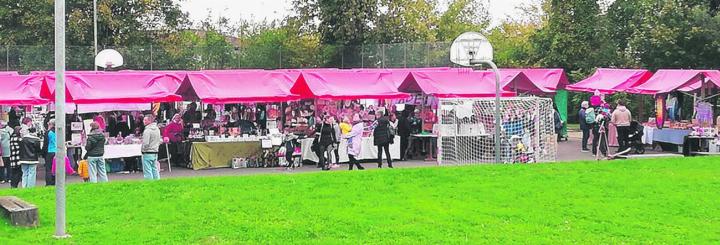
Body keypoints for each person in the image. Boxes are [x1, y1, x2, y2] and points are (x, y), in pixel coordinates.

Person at [141, 115, 162, 180]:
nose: (143, 121)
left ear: (149, 121)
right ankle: (157, 182)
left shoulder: (147, 130)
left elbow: (146, 143)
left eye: (145, 120)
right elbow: (159, 140)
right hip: (155, 151)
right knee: (155, 169)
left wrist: (143, 150)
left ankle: (149, 184)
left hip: (147, 152)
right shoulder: (157, 129)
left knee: (147, 171)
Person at [42, 119, 57, 186]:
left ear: (51, 124)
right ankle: (55, 182)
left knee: (49, 169)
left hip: (49, 151)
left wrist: (43, 153)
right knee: (56, 168)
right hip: (57, 152)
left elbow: (45, 144)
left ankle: (49, 183)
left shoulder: (48, 132)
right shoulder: (59, 132)